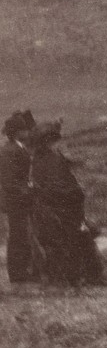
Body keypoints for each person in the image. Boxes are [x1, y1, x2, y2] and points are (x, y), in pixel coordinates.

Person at [28, 121, 96, 285]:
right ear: (45, 141)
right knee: (66, 240)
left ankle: (67, 276)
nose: (52, 143)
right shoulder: (47, 159)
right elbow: (53, 183)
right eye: (49, 140)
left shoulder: (48, 158)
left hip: (62, 204)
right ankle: (71, 276)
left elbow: (59, 180)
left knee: (64, 241)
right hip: (59, 205)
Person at [2, 110, 38, 283]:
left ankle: (21, 271)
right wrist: (28, 189)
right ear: (17, 132)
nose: (27, 132)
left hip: (18, 199)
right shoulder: (10, 151)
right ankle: (18, 274)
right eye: (24, 129)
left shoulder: (15, 148)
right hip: (15, 200)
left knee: (21, 234)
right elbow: (9, 181)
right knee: (18, 235)